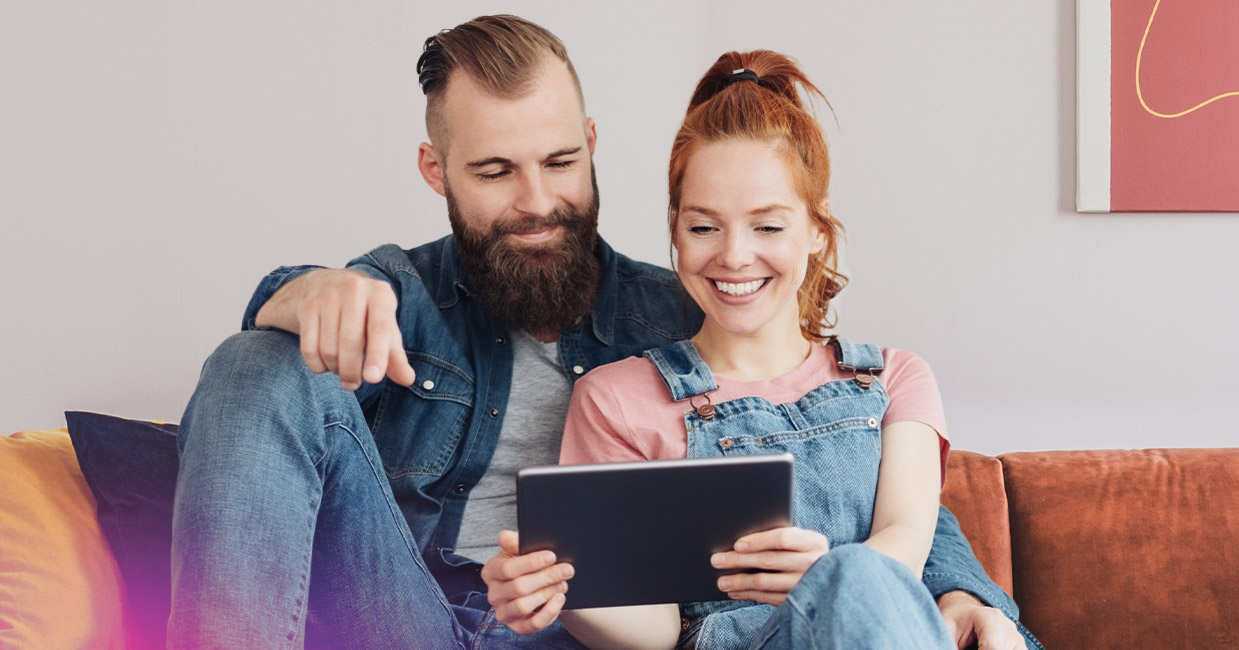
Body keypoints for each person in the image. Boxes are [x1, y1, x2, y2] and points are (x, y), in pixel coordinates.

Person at [169, 16, 1024, 650]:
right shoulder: (399, 292)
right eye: (496, 171)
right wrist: (301, 289)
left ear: (591, 142)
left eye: (559, 162)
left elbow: (867, 462)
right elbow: (293, 337)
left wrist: (966, 595)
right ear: (437, 171)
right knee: (257, 359)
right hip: (404, 619)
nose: (537, 200)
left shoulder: (685, 314)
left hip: (583, 638)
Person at [475, 50, 1040, 650]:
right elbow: (657, 632)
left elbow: (903, 546)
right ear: (675, 230)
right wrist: (568, 594)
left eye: (768, 226)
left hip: (878, 625)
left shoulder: (895, 379)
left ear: (816, 231)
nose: (735, 255)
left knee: (858, 576)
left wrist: (826, 580)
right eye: (703, 227)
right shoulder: (615, 399)